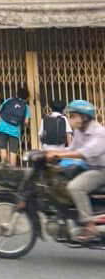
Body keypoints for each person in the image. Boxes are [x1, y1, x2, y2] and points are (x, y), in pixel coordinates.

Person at [46, 100, 105, 242]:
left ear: (84, 117)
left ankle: (89, 225)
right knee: (60, 176)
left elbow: (85, 152)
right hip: (88, 167)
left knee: (75, 187)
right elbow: (72, 149)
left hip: (101, 170)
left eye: (73, 116)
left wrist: (58, 155)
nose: (70, 119)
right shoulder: (79, 131)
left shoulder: (99, 133)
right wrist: (48, 153)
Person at [0, 89, 30, 166]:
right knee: (13, 151)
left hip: (3, 128)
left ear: (17, 94)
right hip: (15, 131)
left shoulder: (9, 100)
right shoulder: (26, 106)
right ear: (27, 98)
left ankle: (4, 166)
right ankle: (12, 170)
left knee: (3, 147)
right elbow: (26, 122)